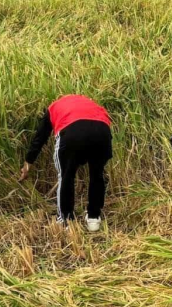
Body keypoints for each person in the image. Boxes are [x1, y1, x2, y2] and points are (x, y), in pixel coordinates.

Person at [20, 95, 112, 232]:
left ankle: (65, 220)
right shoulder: (89, 103)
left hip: (72, 132)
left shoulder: (53, 107)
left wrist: (28, 163)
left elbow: (40, 138)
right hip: (102, 131)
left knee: (66, 176)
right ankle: (94, 219)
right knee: (97, 174)